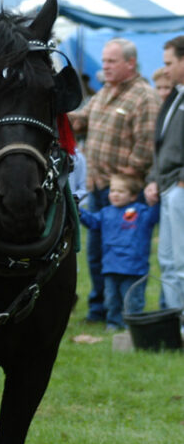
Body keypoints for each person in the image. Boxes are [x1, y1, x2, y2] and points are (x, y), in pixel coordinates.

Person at [70, 39, 159, 323]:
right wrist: (56, 109)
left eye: (111, 61)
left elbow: (147, 145)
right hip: (98, 187)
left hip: (122, 192)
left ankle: (123, 311)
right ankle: (100, 309)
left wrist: (127, 178)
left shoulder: (144, 97)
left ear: (130, 63)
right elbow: (80, 121)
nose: (105, 66)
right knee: (97, 252)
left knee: (122, 253)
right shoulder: (104, 93)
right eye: (104, 60)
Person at [78, 173, 159, 330]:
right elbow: (92, 222)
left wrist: (155, 203)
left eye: (121, 191)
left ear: (133, 196)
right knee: (111, 299)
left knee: (133, 300)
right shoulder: (106, 212)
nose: (115, 194)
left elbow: (154, 216)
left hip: (134, 269)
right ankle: (113, 323)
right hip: (110, 266)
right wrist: (78, 210)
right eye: (112, 190)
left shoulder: (141, 212)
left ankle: (133, 325)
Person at [144, 36, 184, 310]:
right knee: (168, 261)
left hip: (179, 187)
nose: (165, 69)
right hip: (168, 186)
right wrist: (153, 180)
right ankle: (174, 323)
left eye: (169, 63)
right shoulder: (177, 94)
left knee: (182, 262)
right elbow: (163, 144)